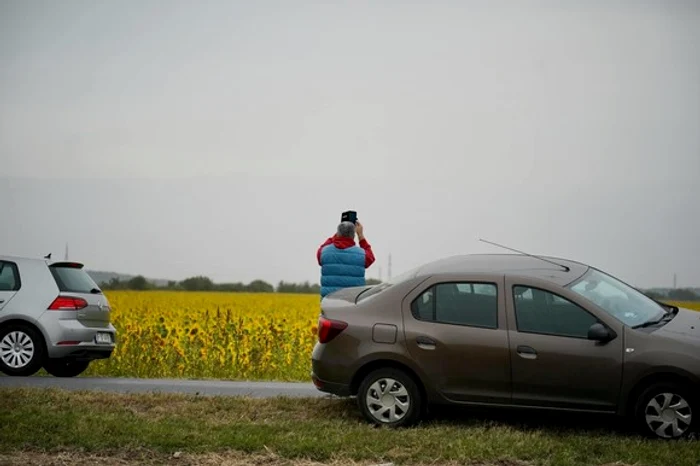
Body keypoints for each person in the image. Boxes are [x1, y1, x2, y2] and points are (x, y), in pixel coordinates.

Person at [317, 220, 375, 298]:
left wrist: (337, 235)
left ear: (338, 234)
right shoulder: (362, 254)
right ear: (353, 236)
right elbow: (371, 258)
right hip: (352, 304)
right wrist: (360, 235)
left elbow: (322, 249)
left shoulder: (324, 252)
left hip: (328, 305)